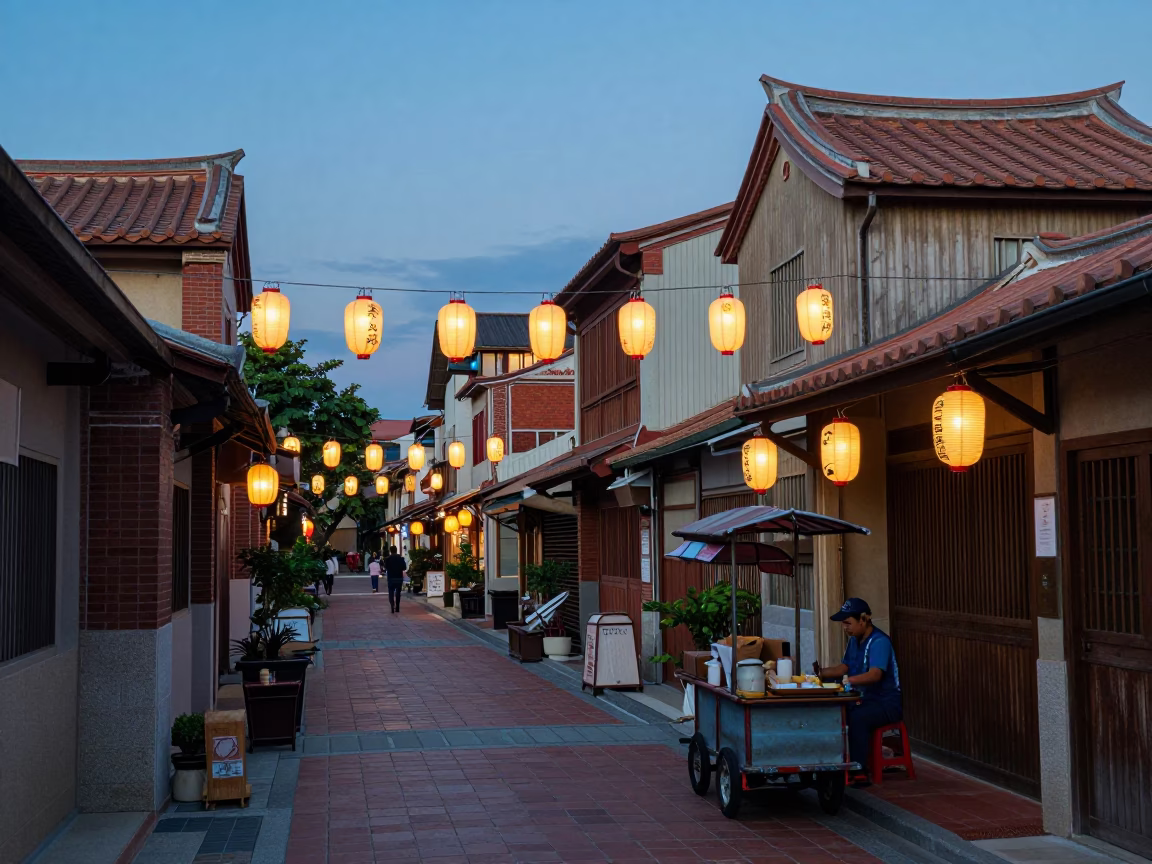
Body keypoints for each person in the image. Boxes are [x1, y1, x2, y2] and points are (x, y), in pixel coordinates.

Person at [816, 597, 902, 787]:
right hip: (862, 698)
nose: (845, 627)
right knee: (832, 711)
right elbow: (843, 667)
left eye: (848, 623)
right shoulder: (854, 641)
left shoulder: (880, 642)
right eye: (843, 624)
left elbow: (875, 675)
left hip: (885, 703)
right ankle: (833, 762)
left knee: (857, 718)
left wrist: (849, 681)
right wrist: (819, 674)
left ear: (863, 620)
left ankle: (859, 770)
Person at [382, 545, 408, 613]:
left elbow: (385, 567)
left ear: (390, 551)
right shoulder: (401, 558)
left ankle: (392, 605)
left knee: (391, 592)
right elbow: (404, 568)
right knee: (398, 592)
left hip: (391, 578)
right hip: (399, 577)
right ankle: (397, 607)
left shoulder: (387, 559)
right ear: (396, 550)